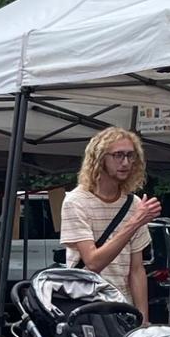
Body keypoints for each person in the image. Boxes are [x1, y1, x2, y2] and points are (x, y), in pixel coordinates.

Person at [61, 128, 160, 314]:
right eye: (118, 155)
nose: (125, 163)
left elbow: (136, 270)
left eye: (130, 156)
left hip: (123, 306)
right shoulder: (76, 201)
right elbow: (93, 263)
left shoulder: (134, 204)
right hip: (86, 304)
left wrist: (143, 318)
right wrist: (134, 223)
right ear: (99, 158)